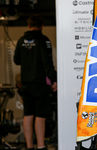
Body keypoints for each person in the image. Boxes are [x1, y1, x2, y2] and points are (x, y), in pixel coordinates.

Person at [14, 14, 57, 150]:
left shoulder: (21, 40)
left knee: (28, 114)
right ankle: (41, 146)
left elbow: (16, 60)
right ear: (41, 26)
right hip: (40, 84)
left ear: (29, 25)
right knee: (40, 116)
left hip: (25, 84)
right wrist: (54, 80)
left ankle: (29, 146)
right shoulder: (44, 40)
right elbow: (47, 62)